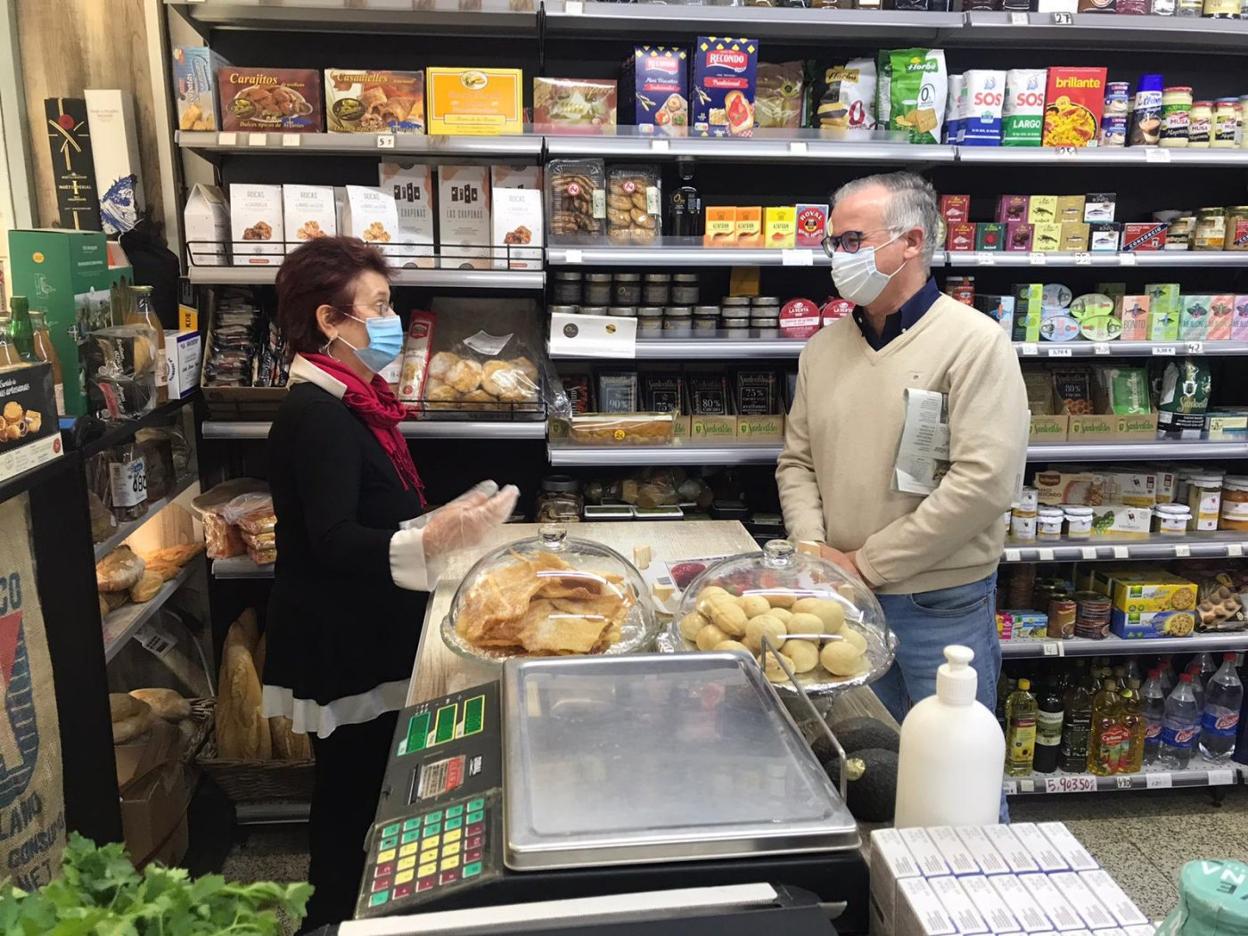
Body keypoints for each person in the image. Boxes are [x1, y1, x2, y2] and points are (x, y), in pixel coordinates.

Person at [262, 237, 517, 930]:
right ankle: (329, 920)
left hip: (369, 624)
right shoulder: (317, 415)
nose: (391, 321)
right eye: (377, 307)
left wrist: (444, 520)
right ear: (328, 320)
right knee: (349, 799)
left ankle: (371, 911)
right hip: (341, 642)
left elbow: (376, 515)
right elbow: (332, 540)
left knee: (371, 788)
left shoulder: (356, 403)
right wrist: (430, 539)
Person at [777, 171, 1028, 726]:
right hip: (839, 595)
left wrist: (866, 565)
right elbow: (798, 461)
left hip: (938, 601)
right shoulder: (822, 349)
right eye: (834, 243)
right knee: (865, 749)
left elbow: (983, 484)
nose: (838, 257)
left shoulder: (975, 344)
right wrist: (813, 549)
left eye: (852, 241)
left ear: (912, 241)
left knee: (951, 761)